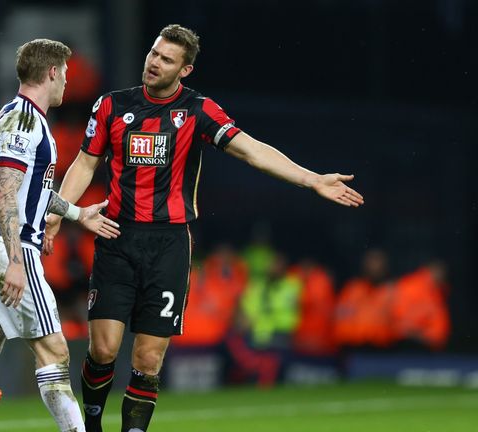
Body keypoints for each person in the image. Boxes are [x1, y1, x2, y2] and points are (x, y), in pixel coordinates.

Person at [43, 24, 365, 431]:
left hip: (170, 245)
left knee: (147, 359)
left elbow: (252, 151)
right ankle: (91, 424)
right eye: (153, 54)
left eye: (166, 59)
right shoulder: (111, 106)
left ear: (185, 69)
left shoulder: (198, 111)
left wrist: (312, 179)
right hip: (117, 237)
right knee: (104, 349)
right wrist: (59, 213)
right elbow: (86, 164)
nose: (154, 63)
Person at [0, 39, 120, 432]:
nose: (68, 83)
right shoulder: (24, 125)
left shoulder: (16, 116)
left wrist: (75, 212)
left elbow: (28, 190)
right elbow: (6, 193)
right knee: (54, 352)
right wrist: (17, 263)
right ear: (51, 72)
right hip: (8, 250)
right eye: (66, 74)